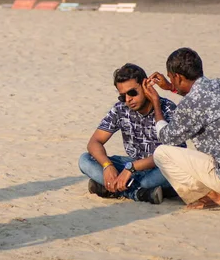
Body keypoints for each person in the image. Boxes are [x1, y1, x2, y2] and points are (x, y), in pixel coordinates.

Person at [143, 48, 220, 210]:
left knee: (162, 153)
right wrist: (172, 88)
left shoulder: (192, 103)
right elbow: (201, 103)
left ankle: (211, 196)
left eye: (171, 77)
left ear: (178, 77)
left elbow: (166, 137)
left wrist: (156, 103)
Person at [78, 63, 183, 204]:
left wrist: (131, 169)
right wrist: (107, 166)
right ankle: (139, 193)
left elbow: (174, 155)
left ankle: (110, 188)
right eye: (122, 96)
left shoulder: (168, 109)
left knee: (157, 177)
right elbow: (94, 142)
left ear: (147, 86)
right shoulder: (120, 109)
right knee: (85, 160)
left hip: (158, 168)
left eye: (132, 93)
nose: (128, 99)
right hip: (131, 165)